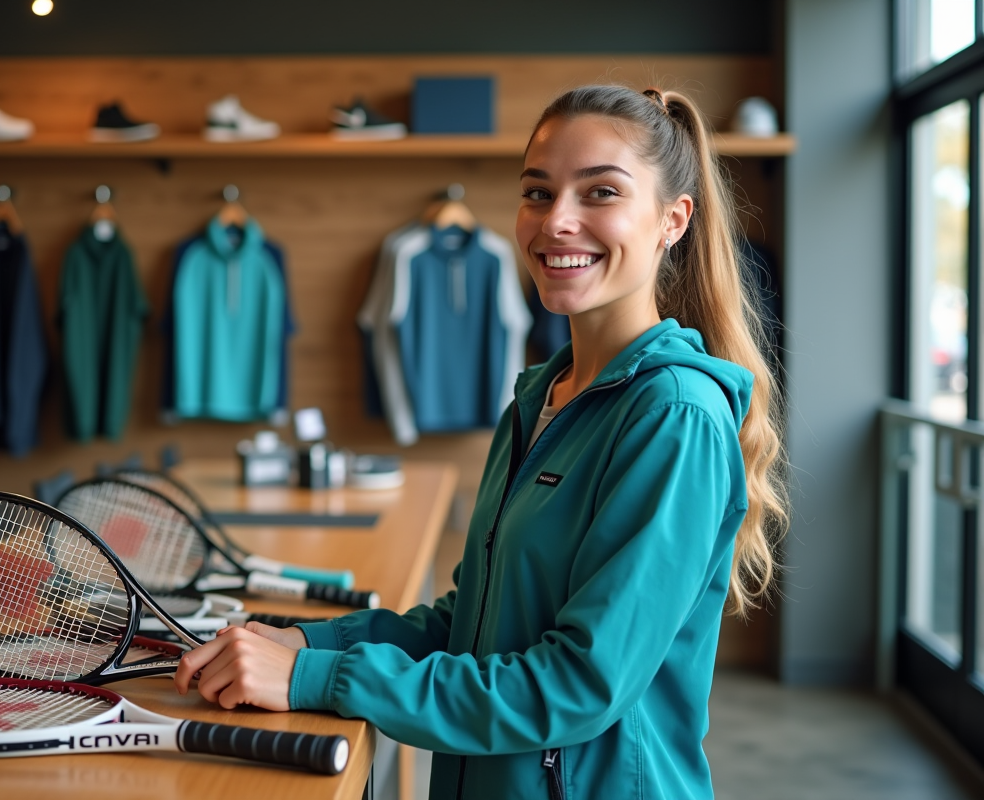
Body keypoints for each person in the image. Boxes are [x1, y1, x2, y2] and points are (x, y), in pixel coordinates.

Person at [174, 84, 789, 800]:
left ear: (671, 221)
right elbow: (469, 624)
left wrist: (318, 679)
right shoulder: (541, 397)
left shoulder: (673, 416)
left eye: (600, 194)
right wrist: (309, 643)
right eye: (538, 192)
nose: (557, 221)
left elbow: (577, 685)